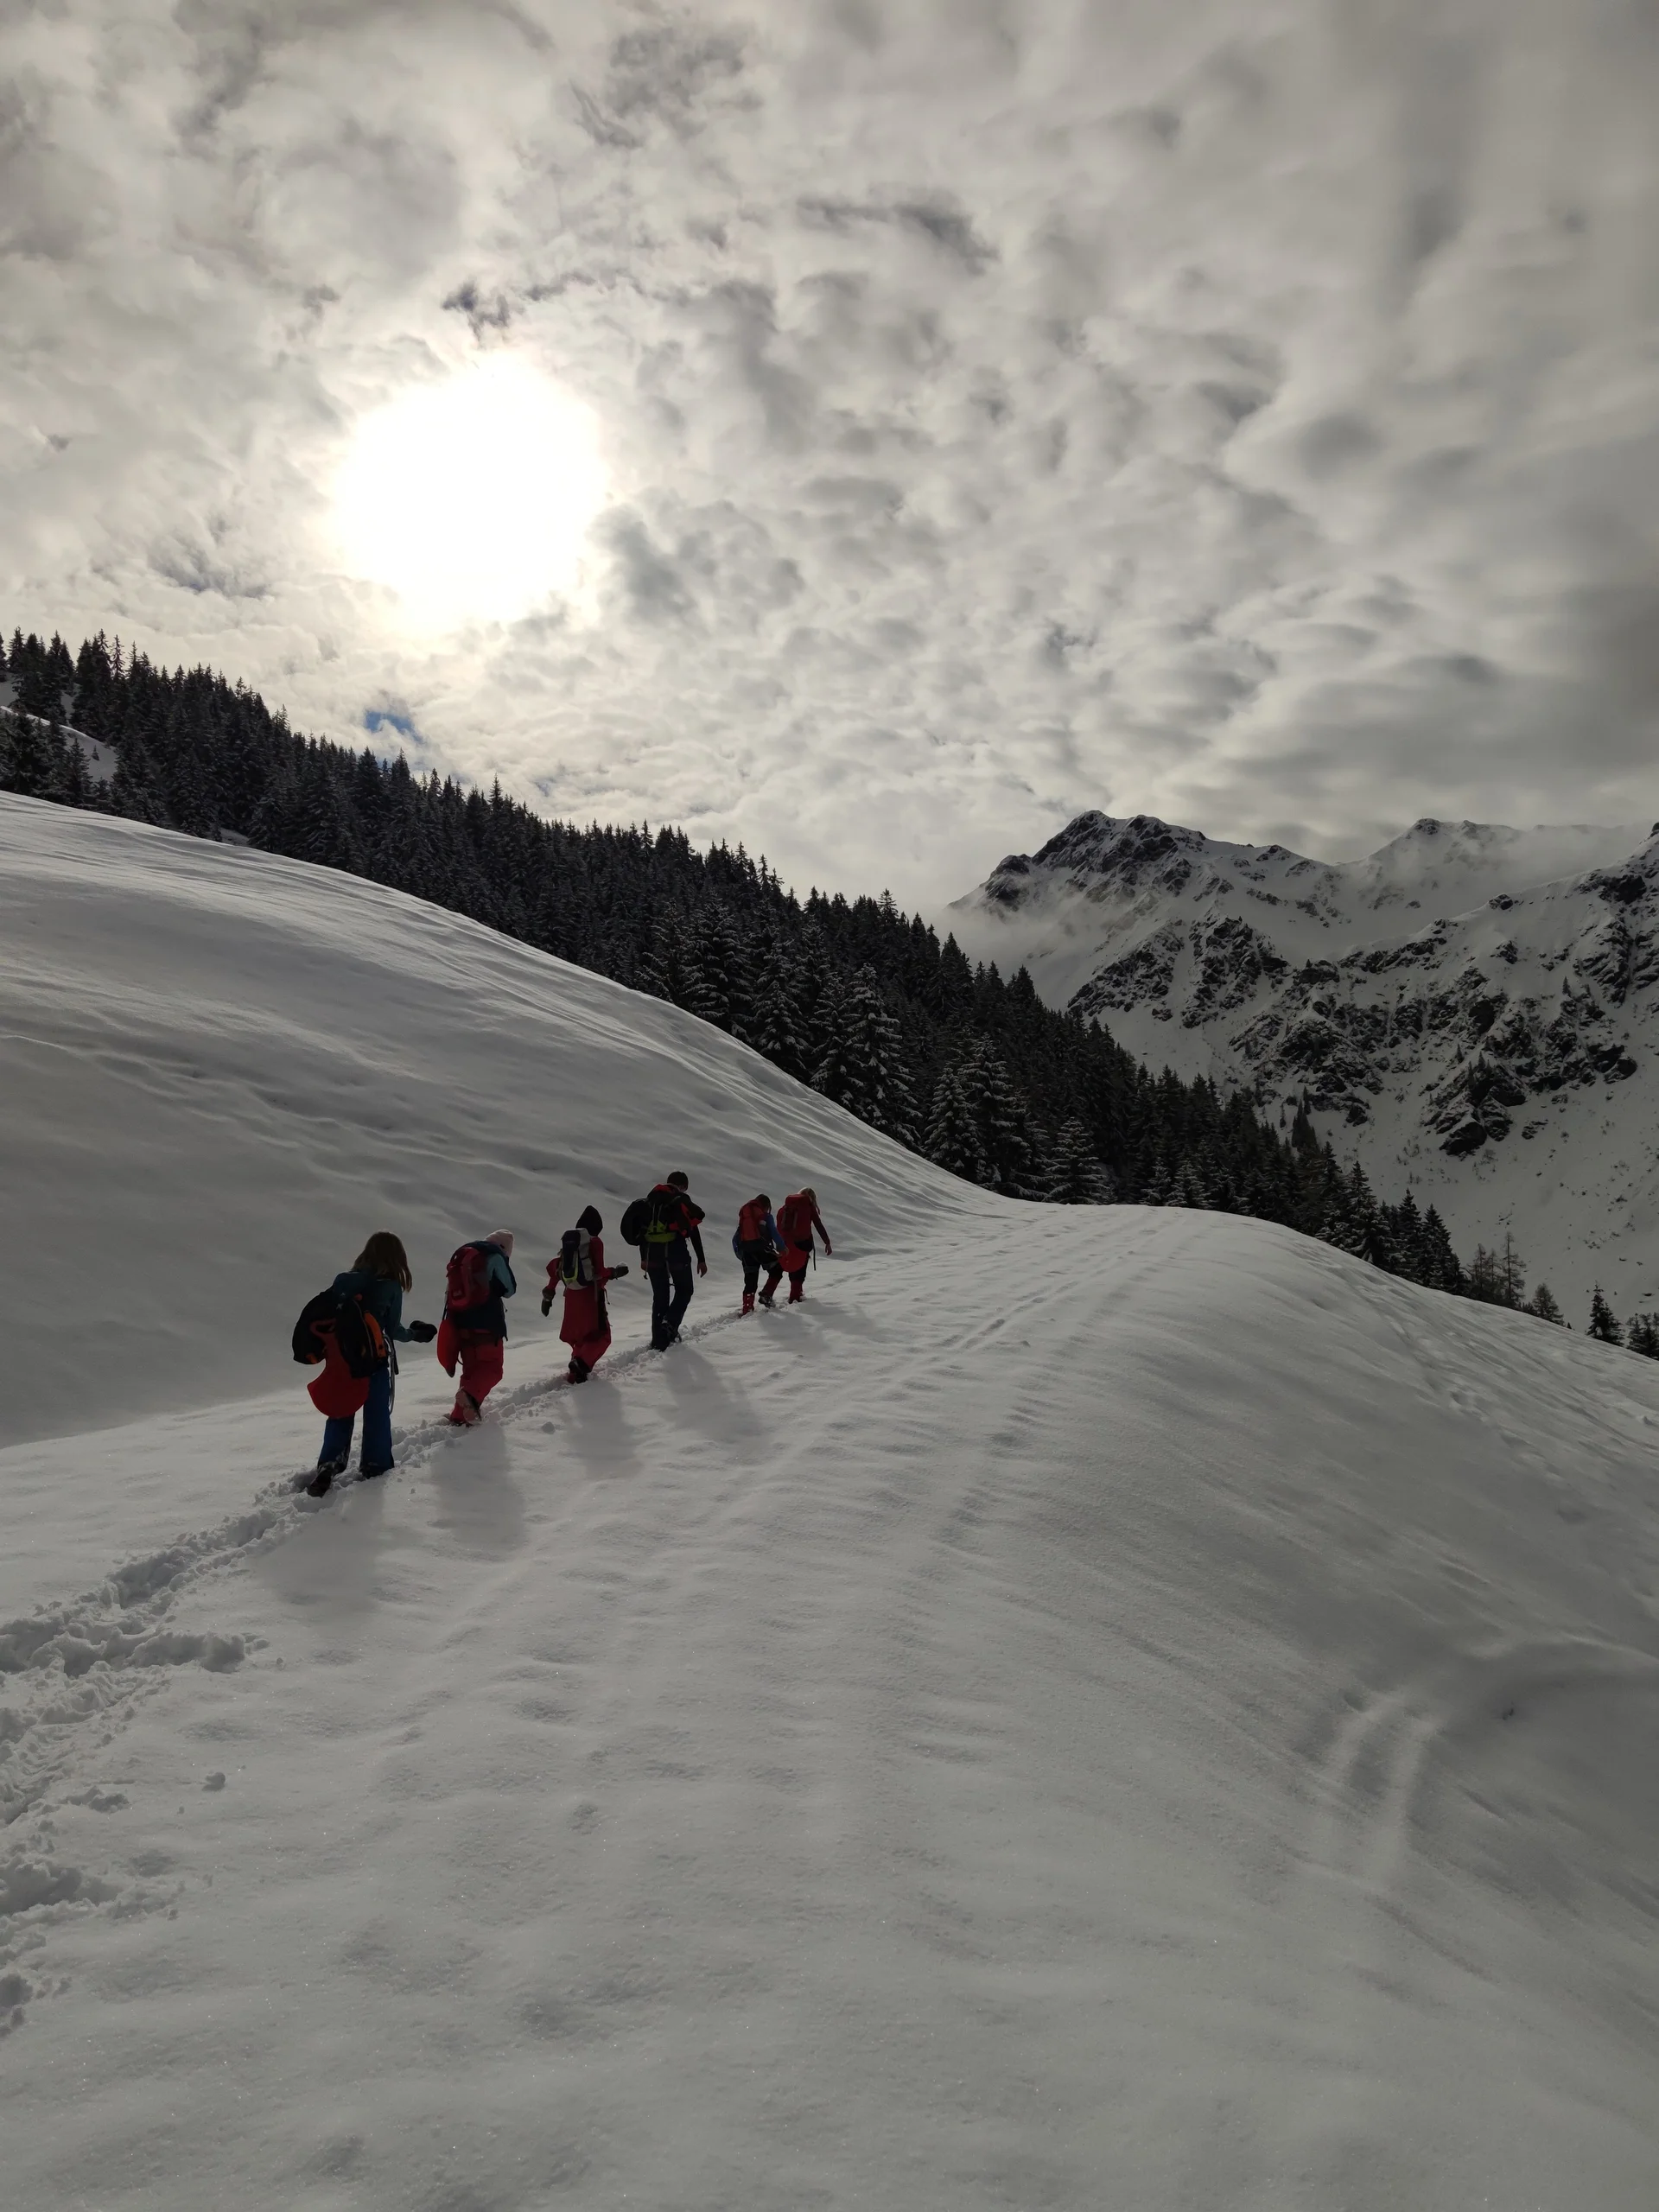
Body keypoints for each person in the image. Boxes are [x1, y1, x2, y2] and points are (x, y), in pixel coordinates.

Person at [308, 1231, 437, 1495]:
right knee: (376, 1412)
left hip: (343, 1359)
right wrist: (415, 1334)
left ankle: (329, 1463)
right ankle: (375, 1464)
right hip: (375, 1360)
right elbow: (392, 1329)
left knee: (341, 1409)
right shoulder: (390, 1287)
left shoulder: (347, 1283)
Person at [437, 1230, 517, 1425]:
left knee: (472, 1372)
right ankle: (470, 1396)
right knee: (492, 1370)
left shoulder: (464, 1254)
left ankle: (460, 1417)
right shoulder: (494, 1255)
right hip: (487, 1325)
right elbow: (510, 1289)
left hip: (461, 1325)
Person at [543, 1205, 629, 1383]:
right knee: (601, 1336)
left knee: (580, 1338)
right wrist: (614, 1272)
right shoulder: (594, 1242)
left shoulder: (570, 1245)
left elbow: (554, 1268)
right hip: (590, 1297)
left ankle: (575, 1374)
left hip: (571, 1298)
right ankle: (581, 1363)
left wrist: (549, 1294)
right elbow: (598, 1272)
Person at [639, 1172, 707, 1351]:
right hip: (676, 1253)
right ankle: (669, 1324)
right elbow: (692, 1229)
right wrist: (701, 1259)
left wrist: (643, 1258)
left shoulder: (650, 1201)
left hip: (652, 1255)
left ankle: (658, 1341)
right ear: (682, 1185)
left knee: (660, 1297)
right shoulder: (680, 1199)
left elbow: (643, 1232)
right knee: (685, 1290)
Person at [775, 1186, 832, 1304]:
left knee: (793, 1267)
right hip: (803, 1243)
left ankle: (796, 1293)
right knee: (800, 1270)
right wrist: (827, 1242)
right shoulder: (808, 1207)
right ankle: (795, 1297)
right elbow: (818, 1225)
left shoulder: (787, 1207)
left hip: (787, 1243)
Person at [734, 1193, 784, 1315]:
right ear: (766, 1206)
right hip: (762, 1250)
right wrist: (783, 1247)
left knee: (750, 1281)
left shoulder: (745, 1218)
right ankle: (766, 1294)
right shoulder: (765, 1216)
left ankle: (747, 1308)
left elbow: (735, 1239)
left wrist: (740, 1254)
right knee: (777, 1269)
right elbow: (774, 1232)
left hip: (747, 1252)